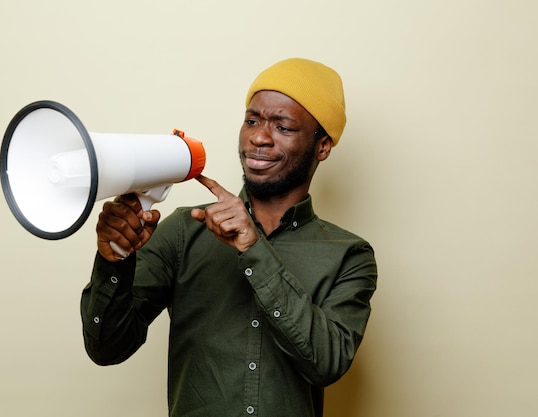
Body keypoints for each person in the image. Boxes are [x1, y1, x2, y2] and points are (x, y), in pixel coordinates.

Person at [80, 58, 378, 417]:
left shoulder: (350, 255)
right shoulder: (182, 230)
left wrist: (254, 249)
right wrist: (115, 258)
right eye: (252, 120)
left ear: (323, 146)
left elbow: (327, 363)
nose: (259, 137)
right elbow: (107, 348)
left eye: (282, 127)